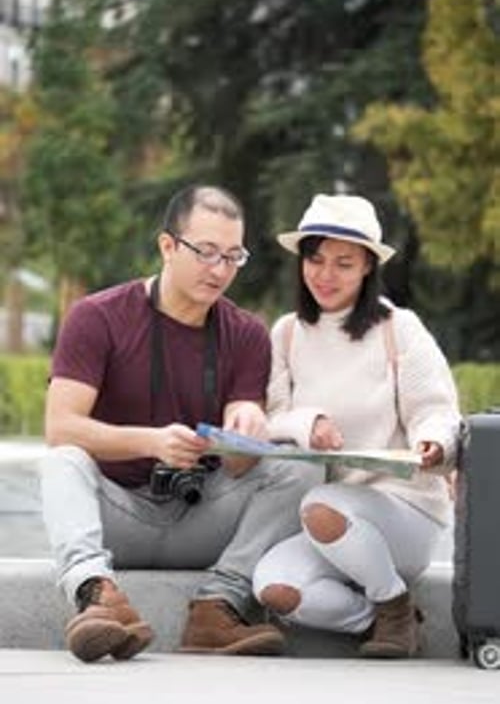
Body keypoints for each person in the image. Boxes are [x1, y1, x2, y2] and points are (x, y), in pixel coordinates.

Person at [39, 185, 321, 663]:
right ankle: (96, 596)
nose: (220, 270)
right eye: (206, 252)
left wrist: (247, 431)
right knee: (62, 462)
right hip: (117, 519)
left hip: (201, 517)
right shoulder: (96, 316)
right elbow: (60, 427)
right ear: (167, 246)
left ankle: (218, 606)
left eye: (234, 256)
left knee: (303, 467)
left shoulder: (248, 334)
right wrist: (152, 443)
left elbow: (237, 467)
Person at [252, 194, 461, 658]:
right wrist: (310, 422)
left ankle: (391, 600)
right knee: (275, 589)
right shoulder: (286, 333)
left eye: (343, 263)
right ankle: (391, 619)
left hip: (403, 514)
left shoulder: (398, 328)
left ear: (368, 266)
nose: (325, 275)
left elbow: (437, 410)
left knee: (321, 505)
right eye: (316, 259)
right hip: (324, 523)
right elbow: (271, 419)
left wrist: (433, 445)